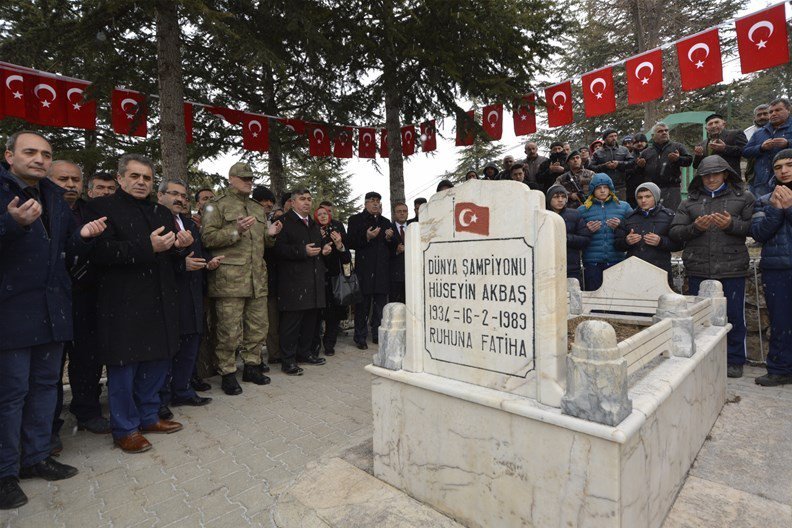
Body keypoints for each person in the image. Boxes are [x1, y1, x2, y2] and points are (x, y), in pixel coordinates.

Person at [1, 131, 106, 509]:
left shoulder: (54, 197)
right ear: (9, 155)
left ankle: (37, 456)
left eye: (45, 153)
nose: (39, 159)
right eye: (30, 152)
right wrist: (12, 223)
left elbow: (65, 248)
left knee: (46, 387)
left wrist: (84, 235)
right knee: (10, 395)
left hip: (53, 309)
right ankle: (5, 474)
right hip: (11, 310)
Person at [84, 153, 191, 453]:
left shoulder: (159, 211)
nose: (141, 182)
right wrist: (148, 246)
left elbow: (166, 255)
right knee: (124, 369)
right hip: (123, 302)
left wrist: (179, 248)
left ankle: (148, 416)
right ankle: (125, 428)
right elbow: (99, 253)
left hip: (159, 300)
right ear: (120, 178)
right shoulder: (100, 207)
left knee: (157, 363)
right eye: (135, 176)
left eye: (146, 177)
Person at [669, 155, 755, 379]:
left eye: (715, 174)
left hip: (732, 266)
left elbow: (755, 228)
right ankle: (702, 357)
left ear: (726, 174)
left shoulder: (744, 197)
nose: (710, 179)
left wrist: (731, 225)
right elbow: (675, 232)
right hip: (698, 266)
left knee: (734, 315)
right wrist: (694, 228)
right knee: (700, 318)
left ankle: (735, 360)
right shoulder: (688, 202)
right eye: (706, 175)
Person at [201, 163, 281, 394]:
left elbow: (260, 242)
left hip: (257, 278)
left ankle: (252, 366)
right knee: (229, 330)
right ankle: (227, 372)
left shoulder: (256, 208)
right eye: (243, 178)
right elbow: (207, 238)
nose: (248, 182)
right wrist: (235, 230)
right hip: (230, 280)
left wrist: (270, 235)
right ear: (231, 179)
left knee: (257, 327)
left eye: (251, 178)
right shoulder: (215, 206)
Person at [48, 161, 111, 451]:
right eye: (63, 179)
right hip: (50, 298)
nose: (70, 185)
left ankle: (86, 410)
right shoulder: (40, 207)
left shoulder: (91, 211)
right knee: (50, 366)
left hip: (87, 295)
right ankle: (48, 427)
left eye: (75, 179)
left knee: (87, 357)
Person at [156, 179, 217, 419]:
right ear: (160, 195)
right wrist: (181, 264)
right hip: (168, 294)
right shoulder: (155, 220)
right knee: (167, 349)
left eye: (183, 195)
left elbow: (198, 253)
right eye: (174, 194)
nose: (180, 199)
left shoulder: (190, 223)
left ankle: (182, 389)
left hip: (192, 293)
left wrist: (207, 262)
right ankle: (160, 397)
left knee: (191, 344)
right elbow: (155, 258)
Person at [274, 189, 331, 374]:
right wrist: (301, 251)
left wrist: (323, 251)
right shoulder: (283, 222)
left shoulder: (313, 224)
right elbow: (277, 250)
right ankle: (288, 360)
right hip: (293, 282)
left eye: (309, 199)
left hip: (313, 281)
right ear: (292, 202)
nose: (307, 202)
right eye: (302, 199)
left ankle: (304, 353)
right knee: (291, 324)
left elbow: (315, 249)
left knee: (310, 321)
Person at [750, 149, 792, 386]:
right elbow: (758, 233)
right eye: (778, 167)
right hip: (776, 268)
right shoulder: (764, 199)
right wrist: (777, 210)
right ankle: (779, 369)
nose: (784, 171)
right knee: (780, 322)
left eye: (789, 165)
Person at [347, 191, 395, 349]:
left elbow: (392, 245)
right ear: (365, 203)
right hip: (365, 270)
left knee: (380, 306)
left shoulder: (386, 222)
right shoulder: (355, 220)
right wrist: (367, 237)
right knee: (362, 306)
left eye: (378, 201)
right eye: (372, 201)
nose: (376, 204)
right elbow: (351, 242)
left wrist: (389, 238)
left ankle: (376, 334)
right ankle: (360, 337)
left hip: (382, 270)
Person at [614, 182, 680, 284]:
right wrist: (626, 241)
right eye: (640, 197)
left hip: (660, 269)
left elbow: (679, 244)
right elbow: (617, 244)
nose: (643, 200)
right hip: (634, 270)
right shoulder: (629, 217)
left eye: (648, 196)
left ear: (656, 197)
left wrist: (661, 241)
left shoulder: (669, 216)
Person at [577, 173, 632, 291]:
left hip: (616, 260)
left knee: (616, 298)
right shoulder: (582, 210)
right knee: (593, 299)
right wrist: (587, 230)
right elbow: (577, 235)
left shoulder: (624, 207)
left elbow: (634, 229)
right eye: (598, 188)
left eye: (605, 187)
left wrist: (620, 226)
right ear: (592, 190)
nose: (602, 190)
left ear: (610, 188)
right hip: (592, 262)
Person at [312, 205, 351, 356]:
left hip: (334, 280)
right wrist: (321, 246)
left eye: (325, 213)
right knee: (316, 316)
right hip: (318, 280)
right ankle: (315, 346)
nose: (322, 216)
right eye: (319, 214)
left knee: (333, 317)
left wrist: (339, 244)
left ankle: (329, 345)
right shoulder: (313, 231)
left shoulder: (337, 232)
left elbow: (346, 259)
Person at [631, 122, 692, 211]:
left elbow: (689, 161)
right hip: (651, 190)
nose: (664, 133)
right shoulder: (646, 152)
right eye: (660, 131)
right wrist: (640, 166)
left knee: (672, 215)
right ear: (653, 136)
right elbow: (637, 172)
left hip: (672, 189)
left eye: (666, 130)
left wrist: (678, 159)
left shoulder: (677, 147)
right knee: (652, 215)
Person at [743, 98, 792, 198]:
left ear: (788, 110)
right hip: (762, 183)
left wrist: (788, 144)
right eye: (771, 111)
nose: (773, 114)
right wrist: (761, 148)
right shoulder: (759, 132)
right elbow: (745, 152)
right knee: (762, 210)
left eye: (778, 110)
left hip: (788, 181)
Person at [546, 185, 590, 284]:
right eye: (556, 197)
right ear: (549, 199)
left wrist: (566, 239)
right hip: (547, 267)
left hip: (571, 268)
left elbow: (585, 239)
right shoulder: (543, 215)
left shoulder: (575, 214)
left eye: (563, 196)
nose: (560, 200)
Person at [693, 113, 747, 178]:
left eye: (716, 122)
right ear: (706, 129)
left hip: (730, 180)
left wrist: (725, 148)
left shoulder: (735, 134)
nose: (713, 126)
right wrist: (698, 156)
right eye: (710, 124)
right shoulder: (702, 144)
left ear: (723, 124)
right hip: (709, 181)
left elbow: (746, 151)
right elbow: (696, 166)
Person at [265, 208, 285, 364]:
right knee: (272, 323)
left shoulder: (286, 236)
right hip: (270, 285)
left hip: (286, 285)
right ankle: (275, 354)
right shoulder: (267, 237)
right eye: (275, 218)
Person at [592, 129, 633, 200]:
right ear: (605, 139)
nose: (614, 138)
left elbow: (632, 162)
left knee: (621, 208)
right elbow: (591, 167)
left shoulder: (624, 150)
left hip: (621, 186)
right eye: (611, 136)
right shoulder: (597, 152)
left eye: (615, 136)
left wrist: (619, 164)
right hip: (604, 187)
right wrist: (605, 166)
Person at [390, 202, 409, 303]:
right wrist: (396, 251)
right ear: (394, 214)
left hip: (412, 275)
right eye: (399, 211)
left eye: (404, 211)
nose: (402, 213)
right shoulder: (388, 228)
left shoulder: (414, 227)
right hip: (395, 276)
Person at [625, 133, 649, 206]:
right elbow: (626, 172)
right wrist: (638, 167)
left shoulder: (652, 153)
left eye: (641, 141)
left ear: (646, 142)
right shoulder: (629, 156)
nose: (639, 143)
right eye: (637, 142)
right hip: (633, 190)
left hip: (649, 187)